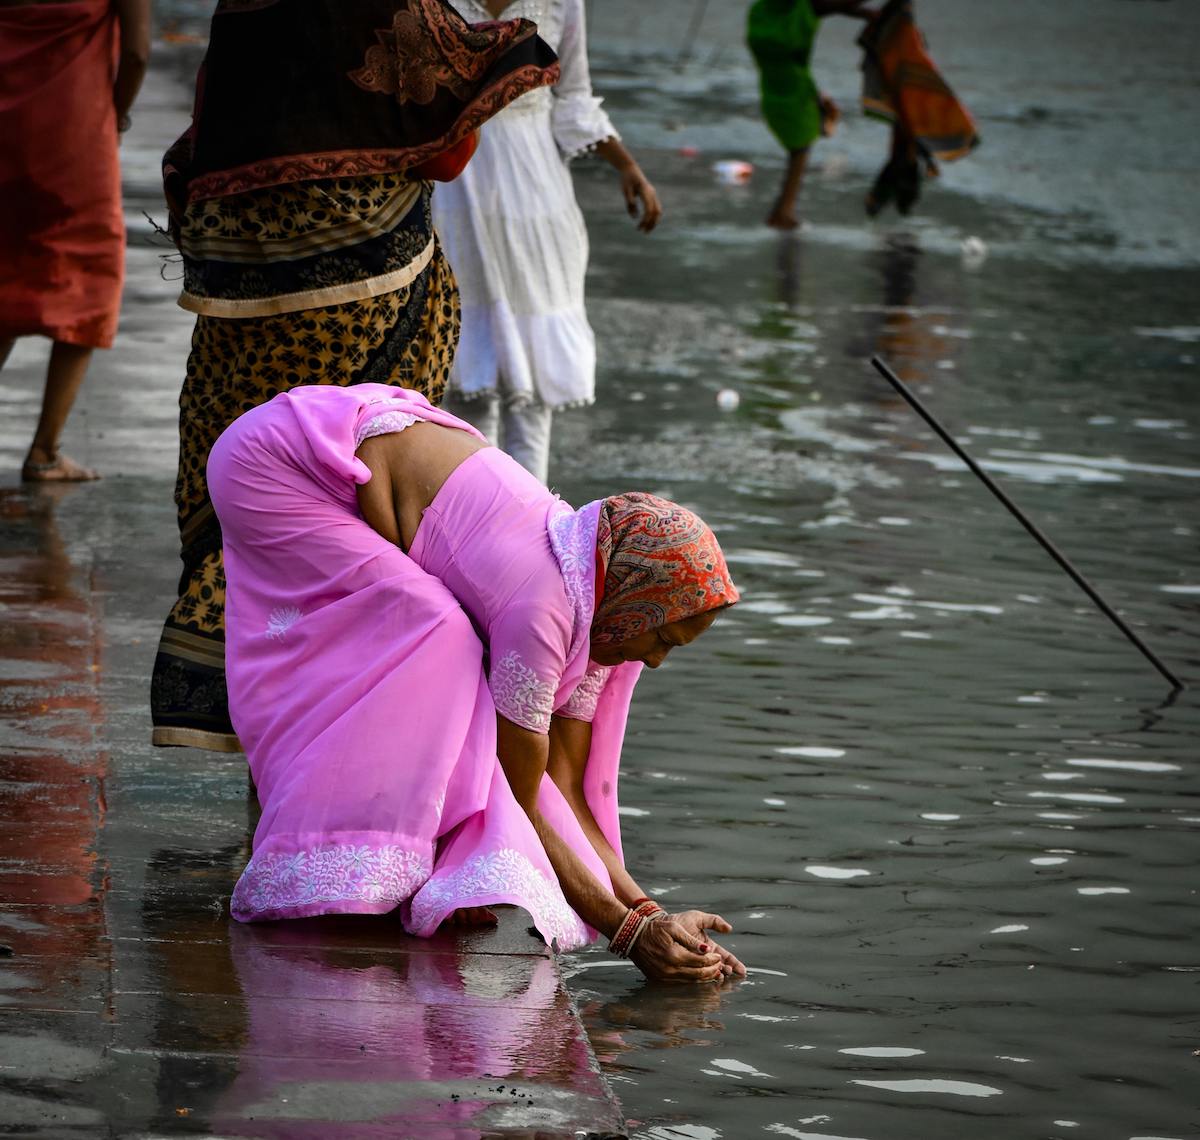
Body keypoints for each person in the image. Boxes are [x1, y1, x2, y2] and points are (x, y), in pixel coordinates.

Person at [207, 381, 746, 982]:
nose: (654, 663)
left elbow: (560, 780)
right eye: (662, 640)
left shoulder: (595, 585)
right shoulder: (543, 609)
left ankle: (412, 856)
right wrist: (628, 934)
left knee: (447, 653)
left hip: (342, 448)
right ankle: (338, 851)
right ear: (633, 605)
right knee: (437, 632)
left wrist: (648, 912)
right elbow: (518, 792)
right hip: (276, 464)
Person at [149, 0, 559, 751]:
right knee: (351, 502)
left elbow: (205, 130)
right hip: (366, 289)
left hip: (237, 290)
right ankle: (334, 748)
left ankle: (241, 716)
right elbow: (443, 148)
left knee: (247, 499)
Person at [432, 0, 662, 485]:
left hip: (537, 195)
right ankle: (476, 524)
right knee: (466, 385)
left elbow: (573, 98)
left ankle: (527, 534)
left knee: (533, 389)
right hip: (456, 186)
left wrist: (626, 165)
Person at [0, 0, 150, 481]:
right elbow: (138, 53)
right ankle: (44, 451)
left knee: (5, 272)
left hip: (6, 126)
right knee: (88, 277)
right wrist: (118, 115)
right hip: (74, 129)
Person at [747, 0, 876, 230]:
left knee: (799, 150)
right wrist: (867, 13)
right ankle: (783, 212)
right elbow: (831, 5)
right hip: (793, 92)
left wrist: (865, 13)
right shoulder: (795, 13)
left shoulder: (761, 13)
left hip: (775, 90)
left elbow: (830, 5)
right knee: (801, 150)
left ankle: (782, 210)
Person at [858, 0, 978, 217]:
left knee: (904, 143)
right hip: (902, 84)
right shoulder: (900, 27)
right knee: (905, 143)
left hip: (899, 83)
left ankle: (884, 198)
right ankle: (888, 199)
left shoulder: (896, 26)